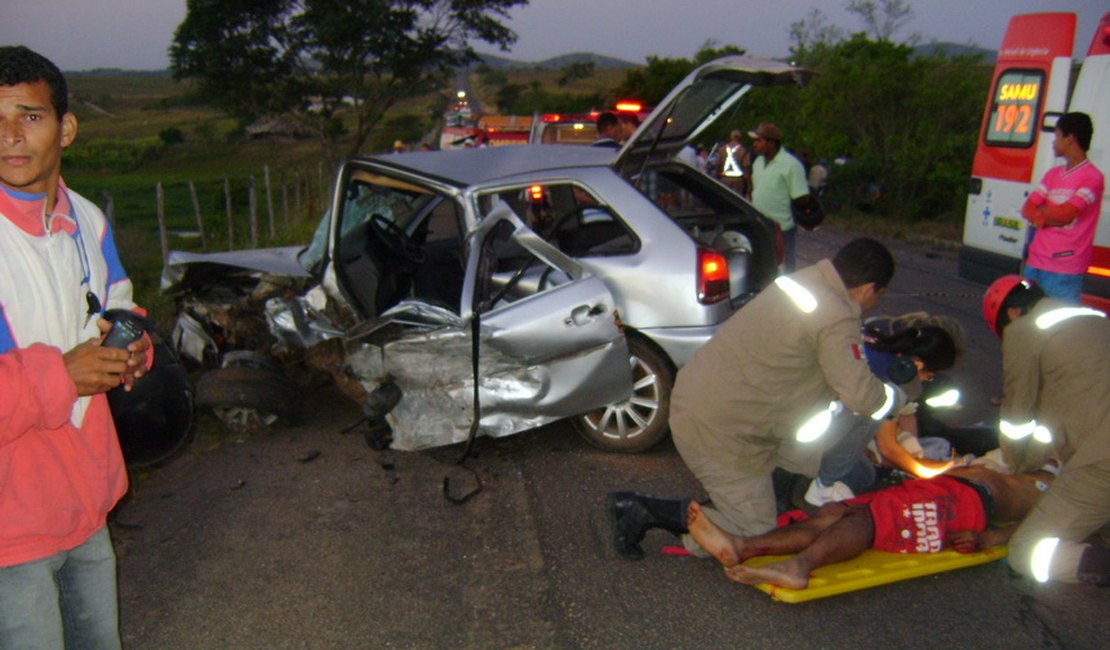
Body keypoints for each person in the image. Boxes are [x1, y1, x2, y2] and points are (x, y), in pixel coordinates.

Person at [608, 238, 906, 559]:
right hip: (722, 429)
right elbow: (862, 397)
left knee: (789, 457)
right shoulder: (836, 316)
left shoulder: (803, 281)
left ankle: (748, 502)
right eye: (879, 296)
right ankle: (644, 510)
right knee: (756, 533)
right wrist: (897, 397)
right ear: (869, 288)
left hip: (708, 401)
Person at [0, 46, 151, 647]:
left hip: (85, 502)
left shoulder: (88, 221)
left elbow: (120, 306)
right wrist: (62, 374)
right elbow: (62, 373)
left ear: (66, 127)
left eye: (29, 116)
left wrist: (132, 348)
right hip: (10, 529)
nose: (9, 136)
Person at [687, 465, 1057, 590]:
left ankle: (799, 567)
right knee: (833, 512)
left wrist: (989, 537)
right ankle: (745, 546)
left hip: (961, 508)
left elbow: (1039, 526)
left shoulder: (1054, 492)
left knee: (868, 521)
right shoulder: (1034, 474)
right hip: (939, 492)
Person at [980, 275, 1109, 586]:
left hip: (1102, 462)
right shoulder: (1095, 319)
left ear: (1011, 314)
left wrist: (1018, 466)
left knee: (1027, 552)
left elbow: (1019, 416)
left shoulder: (1024, 331)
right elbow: (1055, 413)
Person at [804, 320, 961, 507]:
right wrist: (927, 473)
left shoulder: (874, 342)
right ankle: (823, 484)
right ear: (918, 365)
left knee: (864, 475)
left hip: (799, 396)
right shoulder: (886, 384)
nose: (927, 380)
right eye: (930, 375)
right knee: (884, 402)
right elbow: (888, 448)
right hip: (808, 420)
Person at [1019, 112, 1104, 304]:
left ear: (1070, 139)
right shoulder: (1053, 174)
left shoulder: (1092, 177)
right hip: (1035, 261)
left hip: (1065, 268)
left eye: (1057, 136)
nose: (1054, 142)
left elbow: (1067, 214)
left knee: (1058, 323)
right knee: (1027, 315)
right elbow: (1027, 208)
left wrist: (1040, 215)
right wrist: (1048, 215)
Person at [748, 122, 813, 272]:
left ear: (771, 143)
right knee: (763, 268)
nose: (754, 144)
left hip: (782, 229)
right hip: (761, 226)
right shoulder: (758, 162)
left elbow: (801, 197)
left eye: (759, 140)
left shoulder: (791, 165)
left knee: (785, 269)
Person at [718, 130, 750, 198]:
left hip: (725, 179)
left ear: (731, 137)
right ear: (739, 138)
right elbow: (746, 168)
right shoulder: (743, 150)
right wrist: (748, 185)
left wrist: (718, 177)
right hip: (738, 180)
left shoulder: (722, 149)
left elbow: (718, 164)